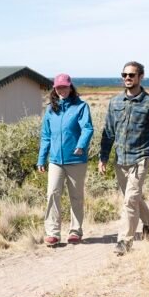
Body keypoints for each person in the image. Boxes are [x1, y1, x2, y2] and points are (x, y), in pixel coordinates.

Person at [99, 61, 149, 256]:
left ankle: (125, 241)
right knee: (132, 198)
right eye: (124, 75)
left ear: (141, 77)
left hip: (142, 157)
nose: (127, 78)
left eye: (131, 75)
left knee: (130, 200)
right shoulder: (115, 102)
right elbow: (108, 132)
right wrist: (103, 158)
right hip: (121, 159)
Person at [37, 73, 94, 246]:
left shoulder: (81, 107)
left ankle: (75, 231)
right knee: (52, 194)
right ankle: (53, 233)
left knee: (76, 196)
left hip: (76, 159)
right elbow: (46, 135)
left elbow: (87, 128)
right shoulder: (50, 109)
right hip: (55, 160)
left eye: (65, 86)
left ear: (71, 87)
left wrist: (81, 145)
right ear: (55, 88)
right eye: (59, 87)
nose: (62, 90)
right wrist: (41, 159)